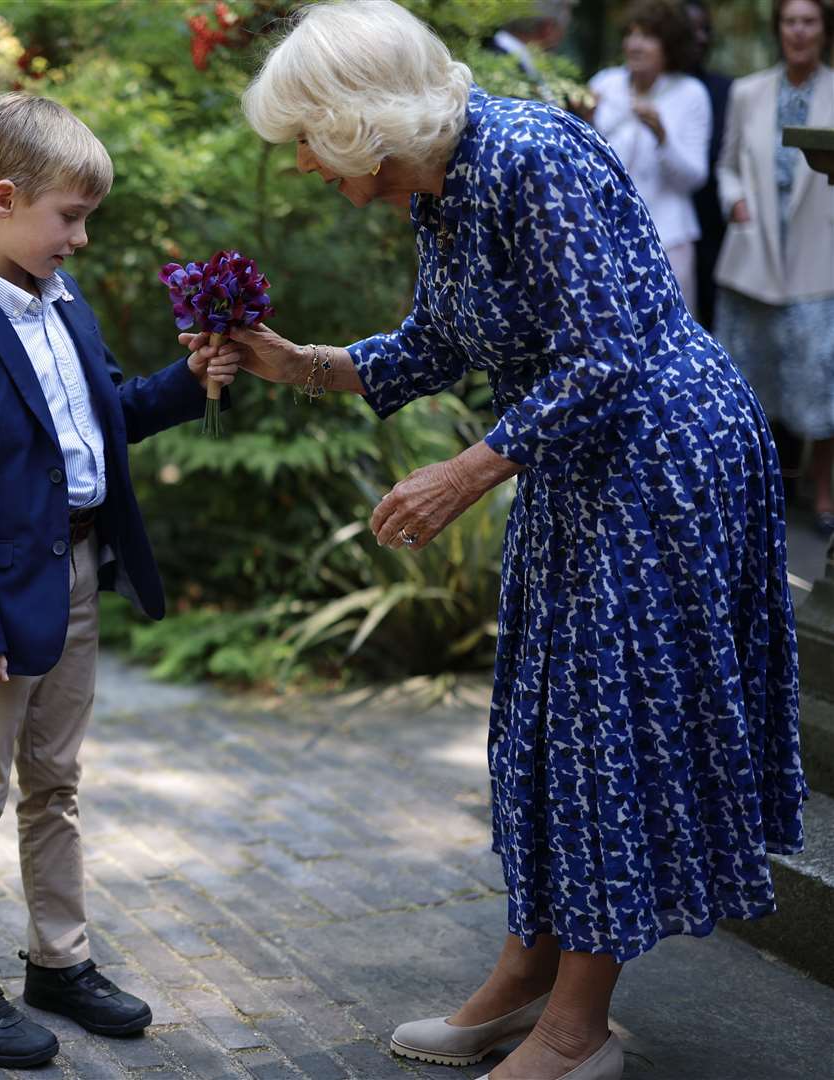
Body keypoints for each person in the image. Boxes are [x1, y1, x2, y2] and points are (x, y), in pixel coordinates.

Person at [209, 3, 804, 1078]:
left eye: (306, 137)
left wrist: (465, 472)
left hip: (661, 459)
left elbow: (608, 355)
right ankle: (524, 978)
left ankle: (579, 1030)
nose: (299, 164)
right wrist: (293, 361)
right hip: (582, 462)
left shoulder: (531, 156)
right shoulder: (441, 187)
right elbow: (439, 341)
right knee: (543, 722)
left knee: (602, 730)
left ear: (358, 123)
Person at [0, 92, 239, 1069]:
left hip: (79, 573)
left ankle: (60, 959)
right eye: (70, 217)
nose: (81, 238)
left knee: (57, 783)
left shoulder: (66, 308)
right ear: (4, 199)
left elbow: (108, 417)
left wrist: (193, 379)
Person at [714, 0, 834, 534]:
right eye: (790, 21)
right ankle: (754, 489)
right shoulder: (747, 91)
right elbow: (726, 166)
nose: (799, 31)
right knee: (749, 384)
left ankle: (824, 493)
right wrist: (733, 200)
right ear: (778, 29)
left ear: (824, 31)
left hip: (819, 259)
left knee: (821, 386)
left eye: (809, 21)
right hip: (754, 258)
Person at [585, 0, 712, 315]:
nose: (635, 44)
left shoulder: (690, 93)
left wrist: (662, 137)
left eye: (648, 36)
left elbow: (695, 177)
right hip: (605, 237)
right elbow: (584, 163)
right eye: (631, 34)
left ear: (669, 45)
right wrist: (584, 123)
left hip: (668, 237)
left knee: (668, 336)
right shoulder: (605, 83)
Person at [685, 0, 734, 329]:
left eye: (706, 31)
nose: (700, 39)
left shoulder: (726, 89)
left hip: (715, 226)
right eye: (692, 32)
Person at [488, 0, 576, 105]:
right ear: (547, 29)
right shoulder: (500, 68)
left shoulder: (501, 57)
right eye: (563, 28)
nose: (562, 36)